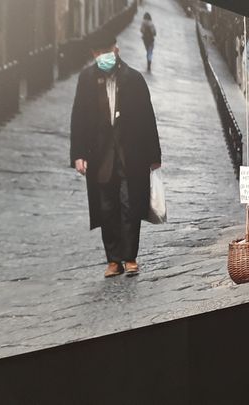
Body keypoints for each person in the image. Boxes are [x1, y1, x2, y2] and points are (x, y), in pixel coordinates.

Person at [70, 33, 161, 278]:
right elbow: (78, 117)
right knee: (106, 207)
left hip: (130, 155)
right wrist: (78, 154)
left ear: (116, 49)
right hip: (100, 157)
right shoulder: (87, 79)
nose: (103, 56)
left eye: (106, 50)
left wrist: (154, 155)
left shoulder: (133, 79)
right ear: (93, 55)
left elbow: (147, 118)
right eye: (98, 53)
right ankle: (113, 260)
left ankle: (130, 257)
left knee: (130, 205)